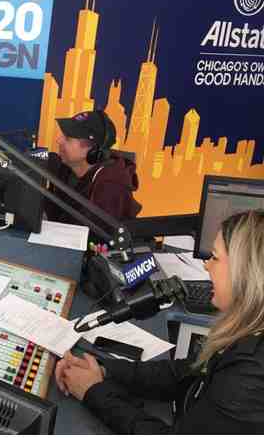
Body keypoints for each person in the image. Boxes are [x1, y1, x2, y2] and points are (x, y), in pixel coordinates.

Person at [55, 210, 264, 433]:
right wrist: (106, 370)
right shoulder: (245, 330)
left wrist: (93, 392)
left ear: (245, 273)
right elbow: (184, 373)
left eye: (215, 257)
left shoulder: (248, 378)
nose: (207, 266)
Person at [44, 110, 142, 223]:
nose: (58, 140)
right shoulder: (65, 170)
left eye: (67, 138)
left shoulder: (110, 186)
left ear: (92, 150)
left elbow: (97, 232)